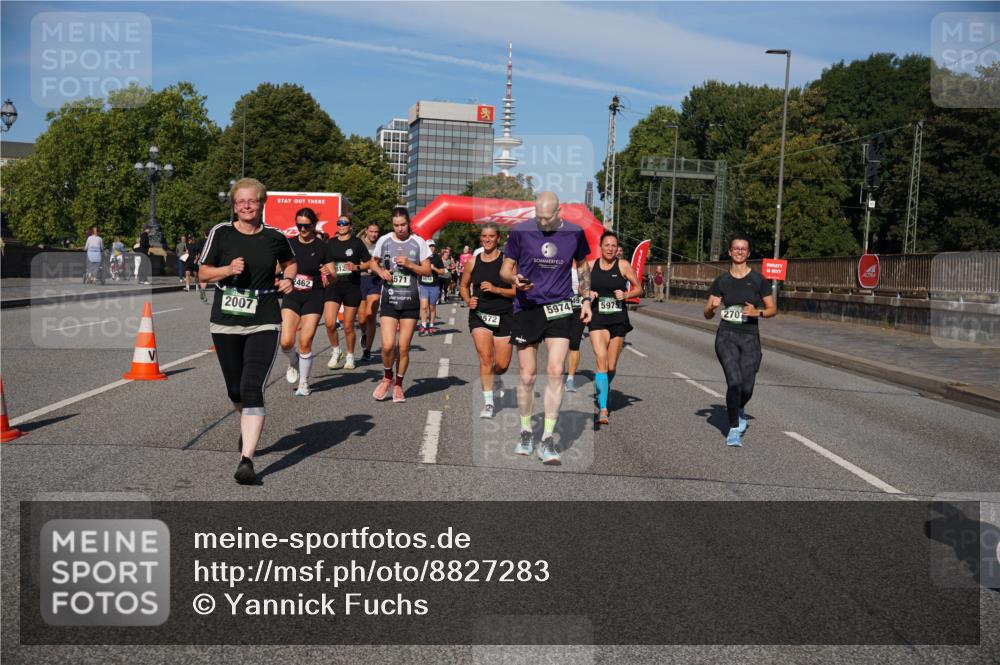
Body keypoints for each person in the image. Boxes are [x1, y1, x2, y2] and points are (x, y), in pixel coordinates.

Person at [198, 178, 296, 485]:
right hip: (225, 320)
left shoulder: (275, 237)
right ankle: (246, 426)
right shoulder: (221, 233)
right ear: (234, 205)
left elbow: (290, 263)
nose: (246, 206)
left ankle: (247, 460)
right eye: (240, 202)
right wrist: (227, 270)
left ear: (262, 203)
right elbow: (202, 272)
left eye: (252, 201)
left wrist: (288, 279)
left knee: (253, 386)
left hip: (264, 319)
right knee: (235, 390)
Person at [500, 192, 592, 464]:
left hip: (560, 308)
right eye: (538, 217)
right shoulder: (521, 232)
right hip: (528, 306)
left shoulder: (575, 233)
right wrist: (514, 278)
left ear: (559, 211)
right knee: (528, 376)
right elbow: (505, 269)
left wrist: (586, 299)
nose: (542, 222)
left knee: (555, 371)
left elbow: (584, 267)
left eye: (548, 218)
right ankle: (526, 431)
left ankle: (548, 438)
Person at [703, 233, 777, 447]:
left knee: (747, 387)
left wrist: (758, 313)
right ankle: (734, 427)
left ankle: (737, 407)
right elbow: (707, 313)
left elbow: (772, 309)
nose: (739, 251)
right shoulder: (721, 281)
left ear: (749, 253)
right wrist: (711, 308)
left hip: (750, 337)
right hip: (726, 336)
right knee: (734, 382)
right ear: (729, 252)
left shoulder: (758, 280)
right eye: (736, 248)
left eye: (743, 248)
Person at [370, 206, 432, 402]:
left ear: (409, 224)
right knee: (388, 346)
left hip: (410, 302)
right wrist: (381, 272)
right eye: (396, 225)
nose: (400, 229)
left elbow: (428, 271)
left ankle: (398, 384)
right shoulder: (384, 240)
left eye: (403, 225)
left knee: (403, 347)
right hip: (389, 300)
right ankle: (387, 377)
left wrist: (411, 265)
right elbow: (373, 262)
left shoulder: (418, 242)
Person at [586, 231, 642, 426]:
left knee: (610, 366)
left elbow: (638, 289)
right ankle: (603, 408)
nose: (610, 248)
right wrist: (588, 293)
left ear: (616, 248)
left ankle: (604, 388)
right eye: (607, 245)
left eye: (613, 246)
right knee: (600, 359)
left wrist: (626, 295)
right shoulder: (591, 265)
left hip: (618, 319)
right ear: (600, 247)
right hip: (597, 318)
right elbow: (577, 287)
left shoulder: (623, 265)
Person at [461, 222, 515, 418]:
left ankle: (496, 378)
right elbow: (463, 285)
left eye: (491, 236)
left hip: (505, 316)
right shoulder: (473, 262)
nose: (487, 239)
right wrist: (469, 300)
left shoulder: (507, 263)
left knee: (502, 364)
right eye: (484, 236)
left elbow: (517, 291)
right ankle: (489, 403)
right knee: (486, 359)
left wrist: (496, 289)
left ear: (498, 238)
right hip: (480, 316)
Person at [280, 208, 334, 396]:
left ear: (314, 225)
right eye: (299, 225)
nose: (302, 229)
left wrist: (329, 274)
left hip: (314, 295)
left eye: (306, 226)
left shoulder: (322, 246)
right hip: (292, 294)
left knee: (305, 340)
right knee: (286, 342)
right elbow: (278, 266)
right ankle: (294, 360)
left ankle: (303, 383)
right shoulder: (289, 244)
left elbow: (333, 276)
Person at [322, 215, 371, 371]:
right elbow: (325, 262)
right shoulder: (330, 243)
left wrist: (356, 267)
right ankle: (336, 351)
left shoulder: (357, 243)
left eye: (345, 223)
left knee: (348, 325)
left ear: (350, 226)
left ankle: (350, 355)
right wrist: (325, 272)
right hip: (334, 285)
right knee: (329, 322)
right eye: (339, 223)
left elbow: (369, 262)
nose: (341, 225)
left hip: (352, 286)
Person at [357, 222, 382, 363]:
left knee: (371, 315)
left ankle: (367, 351)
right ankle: (364, 333)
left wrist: (380, 268)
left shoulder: (381, 244)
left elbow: (385, 262)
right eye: (371, 231)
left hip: (375, 282)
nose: (374, 234)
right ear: (366, 231)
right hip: (360, 281)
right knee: (361, 319)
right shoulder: (358, 243)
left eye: (376, 232)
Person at [563, 268, 587, 392]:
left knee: (574, 343)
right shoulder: (560, 260)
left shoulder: (585, 266)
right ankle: (557, 373)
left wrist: (590, 293)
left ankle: (570, 379)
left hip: (579, 309)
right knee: (560, 343)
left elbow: (591, 285)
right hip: (561, 307)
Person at [418, 240, 445, 335]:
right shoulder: (422, 257)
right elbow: (417, 269)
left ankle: (431, 325)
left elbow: (442, 272)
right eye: (430, 246)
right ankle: (423, 325)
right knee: (424, 306)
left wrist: (434, 268)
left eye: (433, 246)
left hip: (434, 286)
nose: (431, 247)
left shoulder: (438, 258)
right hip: (424, 285)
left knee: (432, 307)